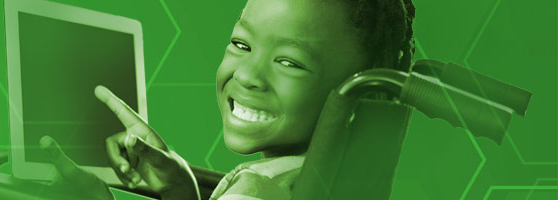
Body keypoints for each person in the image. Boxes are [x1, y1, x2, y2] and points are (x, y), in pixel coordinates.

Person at [97, 0, 415, 199]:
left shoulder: (257, 191)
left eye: (289, 62)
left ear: (362, 93)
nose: (247, 75)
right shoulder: (332, 176)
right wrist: (180, 189)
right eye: (241, 44)